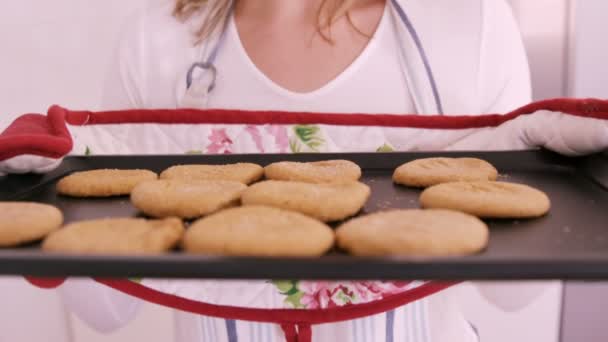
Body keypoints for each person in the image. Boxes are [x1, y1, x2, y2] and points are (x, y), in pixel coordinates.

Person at [3, 0, 608, 341]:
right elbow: (110, 311)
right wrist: (47, 204)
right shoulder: (160, 36)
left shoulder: (466, 22)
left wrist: (557, 172)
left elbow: (521, 291)